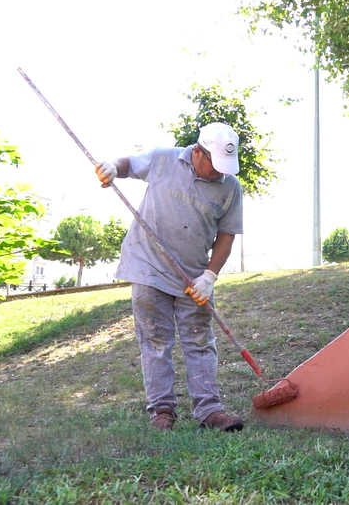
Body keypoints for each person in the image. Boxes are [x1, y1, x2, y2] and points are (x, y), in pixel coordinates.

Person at [94, 121, 245, 432]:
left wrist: (210, 276)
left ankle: (209, 410)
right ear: (198, 152)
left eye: (225, 167)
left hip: (194, 276)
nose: (220, 173)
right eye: (215, 165)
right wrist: (112, 167)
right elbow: (129, 166)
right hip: (148, 266)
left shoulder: (230, 186)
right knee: (155, 341)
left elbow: (227, 235)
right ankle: (161, 411)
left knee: (200, 342)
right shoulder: (164, 158)